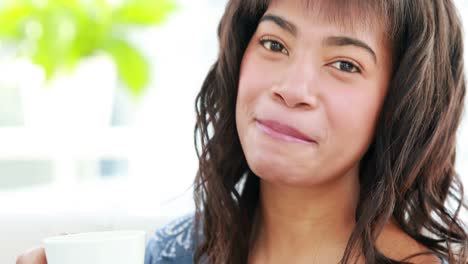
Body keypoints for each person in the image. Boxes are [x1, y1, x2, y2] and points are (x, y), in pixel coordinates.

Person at [16, 0, 468, 263]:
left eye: (345, 64)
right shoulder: (170, 254)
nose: (291, 90)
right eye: (274, 44)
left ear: (401, 104)